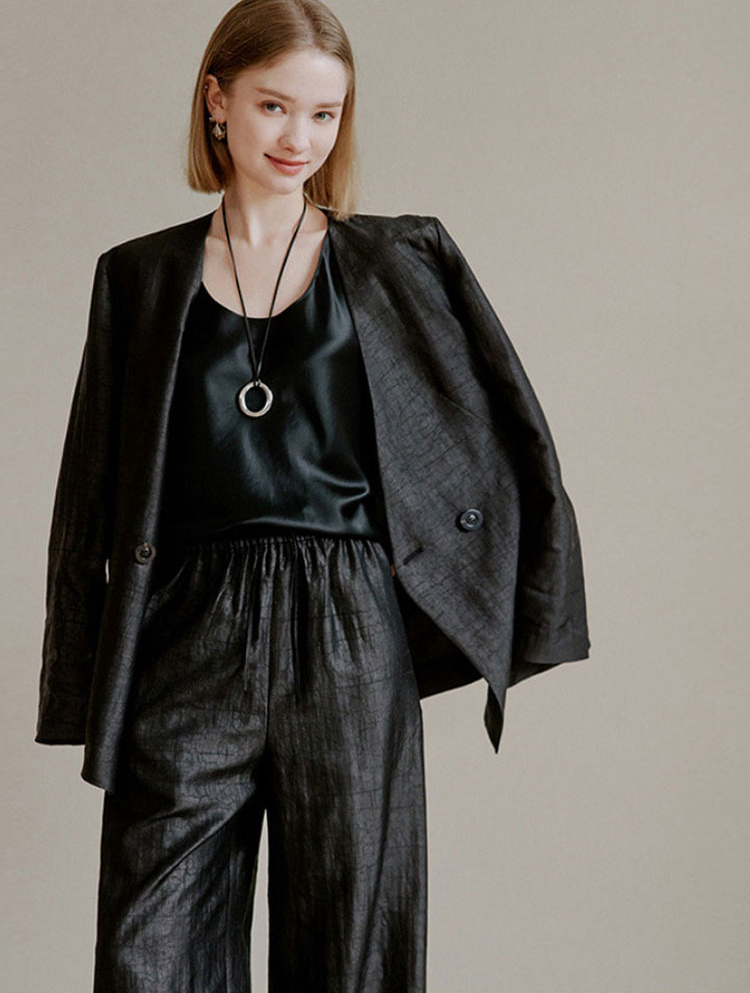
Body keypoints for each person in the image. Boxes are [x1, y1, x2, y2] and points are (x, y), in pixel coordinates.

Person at [35, 1, 591, 991]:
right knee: (148, 954)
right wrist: (82, 683)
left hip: (349, 629)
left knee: (353, 951)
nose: (300, 137)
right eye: (274, 105)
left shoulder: (401, 260)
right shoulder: (138, 278)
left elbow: (506, 434)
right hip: (187, 627)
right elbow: (88, 498)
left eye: (325, 114)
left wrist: (481, 591)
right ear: (217, 101)